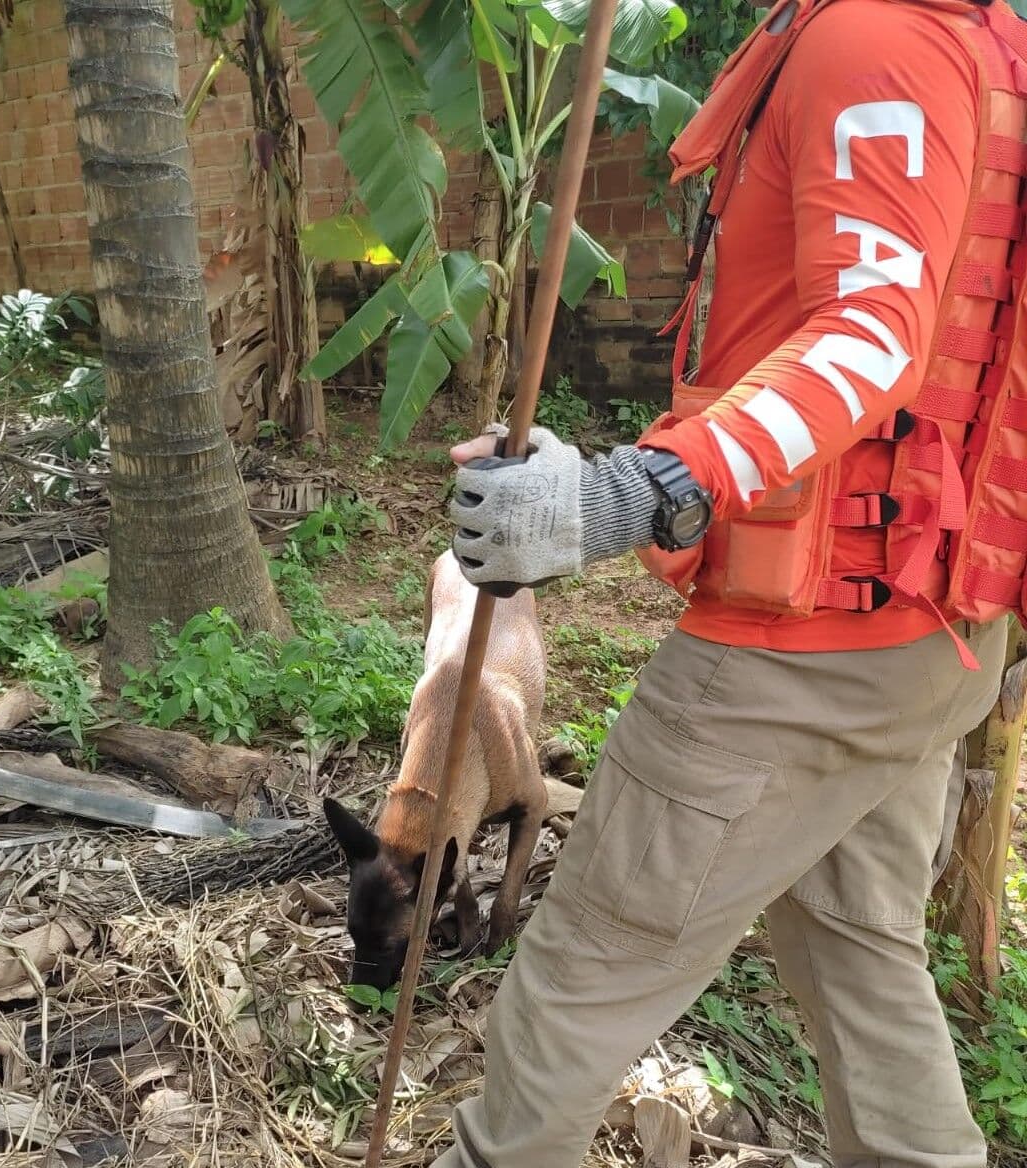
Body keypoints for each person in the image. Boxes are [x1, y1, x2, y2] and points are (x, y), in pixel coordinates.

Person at [429, 1, 1027, 1165]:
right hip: (930, 643)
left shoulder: (876, 39)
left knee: (583, 972)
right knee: (862, 953)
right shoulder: (982, 43)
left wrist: (619, 496)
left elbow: (874, 334)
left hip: (797, 663)